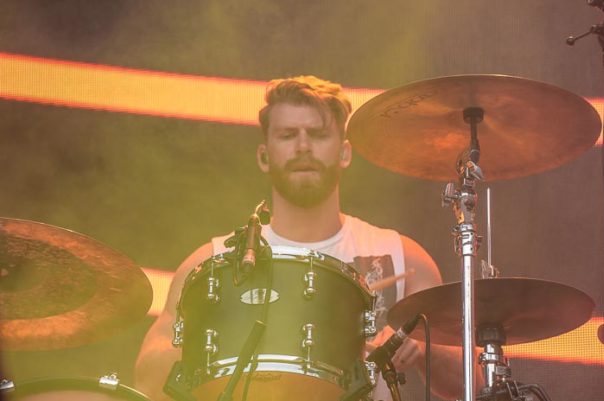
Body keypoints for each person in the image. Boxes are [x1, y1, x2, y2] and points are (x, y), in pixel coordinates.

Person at [135, 75, 469, 401]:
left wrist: (422, 346)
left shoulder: (401, 255)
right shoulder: (213, 263)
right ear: (264, 156)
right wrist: (203, 338)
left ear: (345, 153)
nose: (303, 146)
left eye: (318, 134)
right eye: (288, 135)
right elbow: (147, 381)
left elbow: (471, 379)